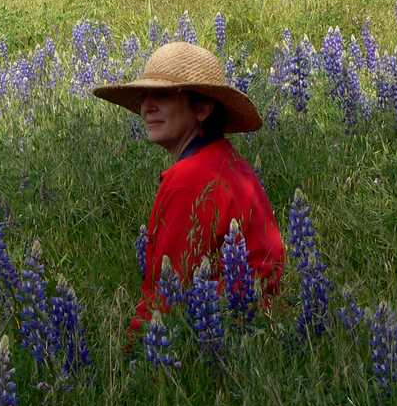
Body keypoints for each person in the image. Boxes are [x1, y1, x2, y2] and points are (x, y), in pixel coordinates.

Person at [92, 41, 286, 343]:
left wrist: (129, 359)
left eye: (164, 95)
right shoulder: (228, 160)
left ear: (203, 108)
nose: (147, 106)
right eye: (145, 95)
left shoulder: (190, 178)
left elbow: (168, 292)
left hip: (220, 336)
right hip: (258, 329)